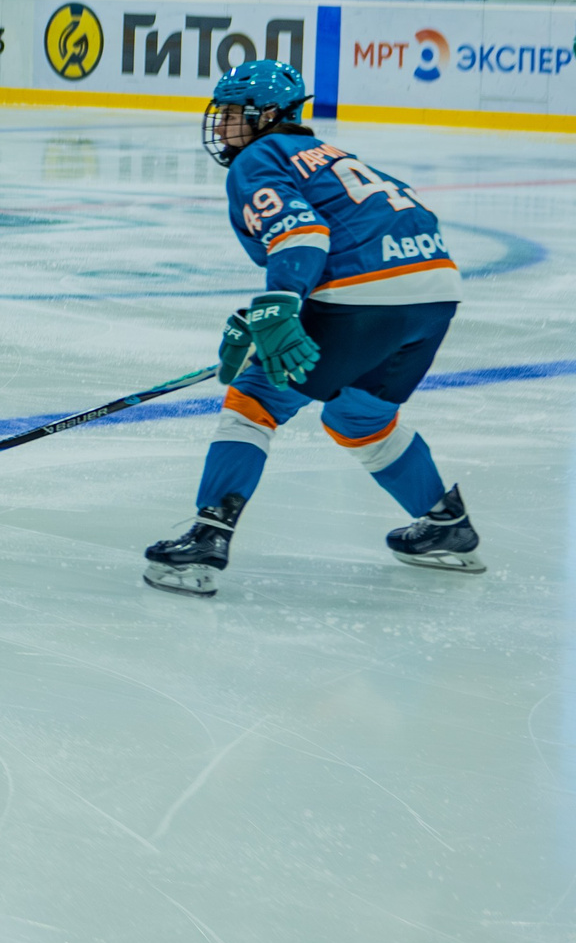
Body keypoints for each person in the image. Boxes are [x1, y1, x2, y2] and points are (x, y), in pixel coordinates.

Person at [143, 58, 477, 596]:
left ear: (268, 115)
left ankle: (207, 537)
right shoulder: (329, 155)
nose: (223, 125)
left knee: (255, 397)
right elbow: (378, 226)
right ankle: (446, 525)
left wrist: (278, 307)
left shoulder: (258, 158)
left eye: (233, 113)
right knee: (359, 416)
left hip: (367, 295)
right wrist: (262, 315)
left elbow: (304, 232)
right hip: (435, 292)